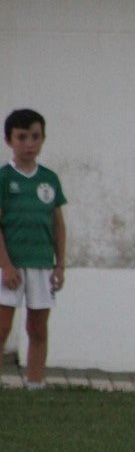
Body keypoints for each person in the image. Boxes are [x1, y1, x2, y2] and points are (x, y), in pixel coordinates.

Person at [0, 109, 68, 392]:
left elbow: (58, 224)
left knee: (38, 329)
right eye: (22, 137)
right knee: (2, 327)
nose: (29, 144)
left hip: (41, 264)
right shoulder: (4, 178)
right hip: (10, 265)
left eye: (35, 137)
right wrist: (6, 265)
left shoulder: (49, 179)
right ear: (9, 140)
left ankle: (35, 384)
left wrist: (60, 264)